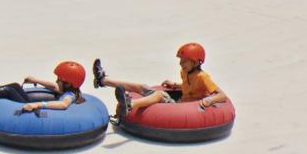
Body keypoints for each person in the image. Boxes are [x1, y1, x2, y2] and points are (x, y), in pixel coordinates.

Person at [93, 43, 227, 116]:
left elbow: (222, 95)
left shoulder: (203, 77)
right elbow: (190, 87)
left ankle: (130, 105)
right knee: (142, 87)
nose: (181, 63)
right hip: (177, 101)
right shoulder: (185, 72)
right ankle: (103, 80)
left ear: (196, 62)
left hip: (181, 108)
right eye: (180, 60)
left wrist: (210, 100)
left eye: (185, 61)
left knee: (159, 94)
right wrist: (175, 85)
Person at [0, 61, 86, 111]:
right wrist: (35, 80)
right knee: (15, 85)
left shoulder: (70, 94)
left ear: (68, 83)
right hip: (27, 101)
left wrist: (38, 104)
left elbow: (63, 104)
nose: (56, 80)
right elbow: (54, 86)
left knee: (8, 91)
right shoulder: (67, 87)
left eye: (59, 79)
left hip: (27, 105)